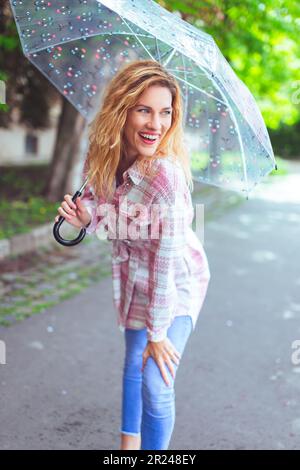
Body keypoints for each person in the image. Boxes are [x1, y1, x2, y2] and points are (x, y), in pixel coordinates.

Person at [55, 60, 211, 450]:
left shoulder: (166, 179)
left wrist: (159, 334)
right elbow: (102, 210)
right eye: (144, 109)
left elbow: (164, 264)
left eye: (165, 112)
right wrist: (85, 216)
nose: (155, 124)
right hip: (132, 275)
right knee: (133, 359)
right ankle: (129, 447)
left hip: (174, 282)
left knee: (155, 382)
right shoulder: (103, 154)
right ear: (122, 109)